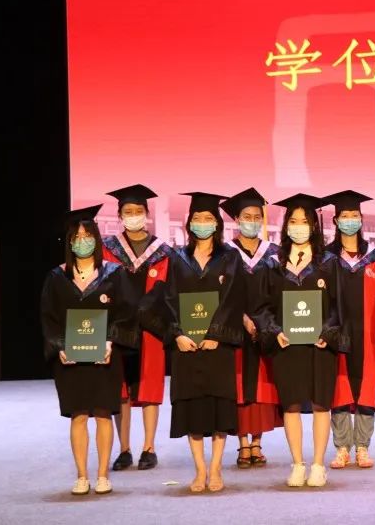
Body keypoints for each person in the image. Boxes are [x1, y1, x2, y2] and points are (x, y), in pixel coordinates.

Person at [139, 192, 245, 493]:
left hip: (218, 347)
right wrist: (177, 335)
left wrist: (215, 335)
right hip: (186, 348)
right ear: (189, 223)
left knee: (219, 408)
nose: (202, 223)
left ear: (217, 223)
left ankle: (216, 468)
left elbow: (232, 299)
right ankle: (199, 469)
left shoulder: (230, 257)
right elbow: (168, 301)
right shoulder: (177, 258)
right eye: (197, 218)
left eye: (208, 218)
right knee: (193, 409)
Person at [41, 205, 137, 495]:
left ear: (96, 239)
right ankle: (82, 476)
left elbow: (126, 315)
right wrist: (59, 347)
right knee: (78, 415)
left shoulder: (114, 274)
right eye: (77, 238)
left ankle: (103, 475)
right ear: (70, 242)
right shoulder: (57, 277)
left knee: (104, 414)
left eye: (88, 236)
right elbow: (49, 319)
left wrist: (110, 342)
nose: (83, 242)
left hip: (104, 357)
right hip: (70, 360)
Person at [251, 193, 340, 488]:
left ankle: (318, 465)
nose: (299, 227)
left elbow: (340, 306)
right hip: (287, 345)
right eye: (294, 221)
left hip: (320, 346)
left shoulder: (329, 263)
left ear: (314, 226)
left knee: (320, 404)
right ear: (286, 225)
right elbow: (262, 307)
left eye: (304, 221)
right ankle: (298, 464)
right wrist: (274, 330)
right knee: (290, 404)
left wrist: (328, 332)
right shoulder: (273, 264)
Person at [101, 184, 171, 472]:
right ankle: (124, 449)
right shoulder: (108, 248)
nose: (133, 216)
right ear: (120, 216)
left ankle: (149, 448)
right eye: (128, 212)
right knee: (121, 390)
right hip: (118, 328)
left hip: (150, 328)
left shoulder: (162, 251)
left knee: (149, 387)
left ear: (147, 214)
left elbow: (164, 290)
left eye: (138, 211)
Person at [321, 191, 375, 470]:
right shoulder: (326, 258)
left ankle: (362, 446)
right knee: (338, 388)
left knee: (366, 388)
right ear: (335, 220)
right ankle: (342, 448)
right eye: (345, 216)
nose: (350, 220)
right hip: (335, 333)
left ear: (361, 219)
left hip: (369, 334)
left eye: (354, 215)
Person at [220, 187, 282, 469]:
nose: (253, 221)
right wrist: (242, 318)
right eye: (247, 216)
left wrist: (265, 322)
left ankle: (257, 442)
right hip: (236, 329)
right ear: (236, 219)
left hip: (265, 330)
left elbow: (278, 294)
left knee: (261, 388)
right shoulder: (225, 253)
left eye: (257, 217)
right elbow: (222, 294)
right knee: (239, 388)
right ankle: (242, 443)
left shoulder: (274, 254)